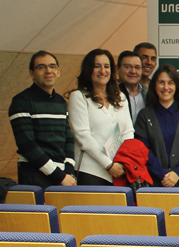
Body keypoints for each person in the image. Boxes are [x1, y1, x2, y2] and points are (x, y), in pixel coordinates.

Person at [67, 49, 134, 186]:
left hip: (119, 170)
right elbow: (83, 137)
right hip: (91, 171)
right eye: (97, 66)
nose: (102, 71)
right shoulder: (79, 97)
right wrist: (108, 165)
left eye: (106, 66)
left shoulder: (120, 97)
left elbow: (128, 131)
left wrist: (122, 161)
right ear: (88, 69)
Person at [10, 51, 76, 188]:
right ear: (31, 73)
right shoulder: (21, 101)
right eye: (41, 67)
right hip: (34, 174)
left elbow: (68, 138)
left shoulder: (60, 101)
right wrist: (59, 176)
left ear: (58, 71)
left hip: (63, 175)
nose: (48, 70)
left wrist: (69, 170)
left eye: (52, 66)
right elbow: (27, 145)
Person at [134, 65, 179, 187]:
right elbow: (143, 150)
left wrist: (177, 173)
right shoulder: (145, 115)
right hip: (155, 182)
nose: (166, 87)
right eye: (161, 82)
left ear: (176, 86)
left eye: (170, 83)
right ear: (154, 86)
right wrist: (162, 174)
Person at [117, 50, 146, 124]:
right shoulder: (110, 92)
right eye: (127, 67)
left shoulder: (149, 93)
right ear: (117, 69)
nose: (133, 71)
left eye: (137, 67)